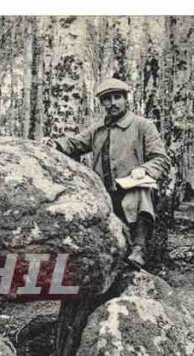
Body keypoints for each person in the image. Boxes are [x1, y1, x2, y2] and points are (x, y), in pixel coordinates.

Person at [44, 78, 170, 268]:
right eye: (107, 99)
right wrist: (55, 144)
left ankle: (139, 248)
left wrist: (144, 170)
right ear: (102, 103)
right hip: (104, 192)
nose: (112, 103)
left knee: (140, 191)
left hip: (132, 190)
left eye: (117, 97)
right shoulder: (98, 129)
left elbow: (161, 159)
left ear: (126, 99)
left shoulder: (143, 126)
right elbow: (75, 144)